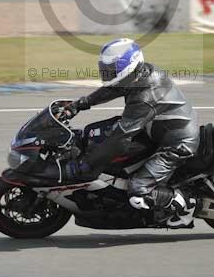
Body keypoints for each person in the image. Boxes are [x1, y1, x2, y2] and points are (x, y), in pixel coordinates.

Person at [62, 38, 199, 228]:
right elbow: (113, 88)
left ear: (129, 65)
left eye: (111, 69)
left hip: (176, 144)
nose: (106, 73)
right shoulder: (137, 74)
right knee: (97, 136)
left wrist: (88, 164)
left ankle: (184, 205)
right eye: (105, 68)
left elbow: (121, 138)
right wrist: (81, 104)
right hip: (155, 131)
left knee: (138, 189)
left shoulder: (145, 96)